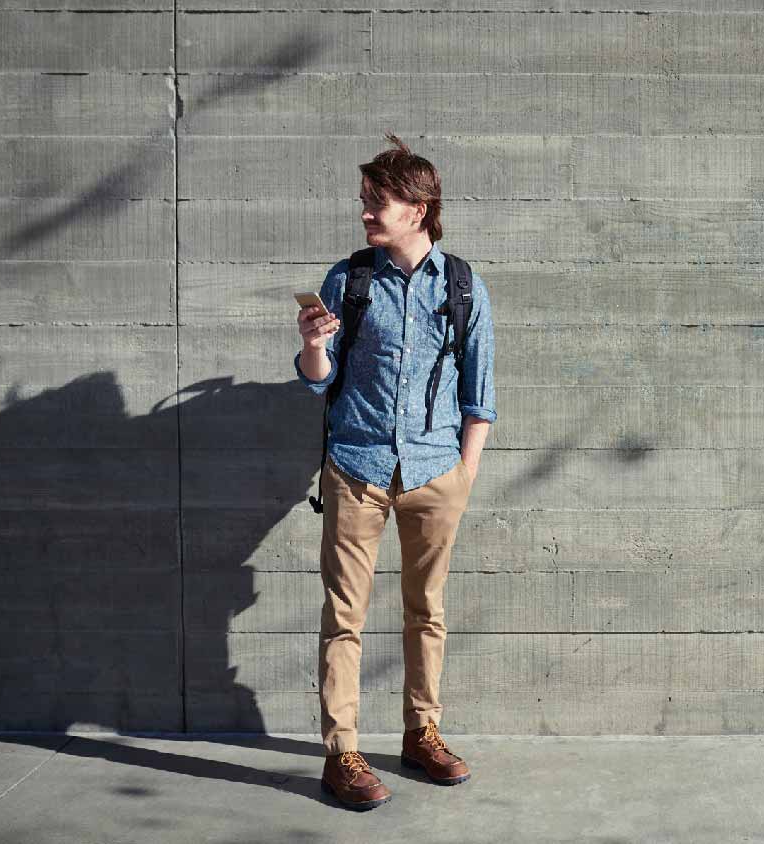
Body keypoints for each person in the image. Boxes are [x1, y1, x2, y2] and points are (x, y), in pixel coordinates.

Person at [294, 133, 496, 809]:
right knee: (344, 617)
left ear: (418, 207)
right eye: (364, 201)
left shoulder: (463, 286)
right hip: (355, 469)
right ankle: (341, 754)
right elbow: (316, 383)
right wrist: (313, 347)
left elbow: (480, 396)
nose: (365, 214)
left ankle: (422, 734)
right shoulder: (349, 281)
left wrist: (463, 476)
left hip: (436, 473)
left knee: (427, 612)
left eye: (377, 202)